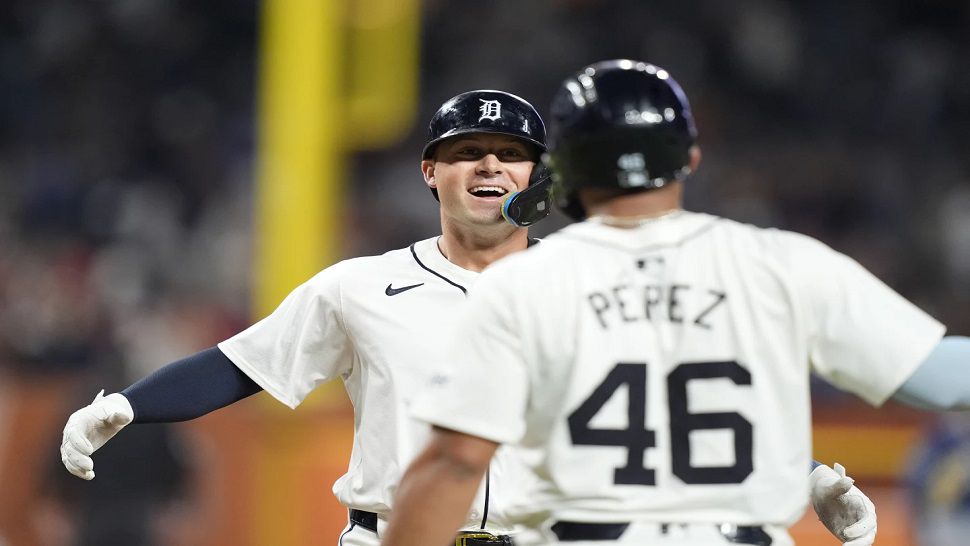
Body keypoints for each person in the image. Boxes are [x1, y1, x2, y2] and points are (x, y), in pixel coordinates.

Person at [61, 87, 876, 546]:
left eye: (510, 152)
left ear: (536, 175)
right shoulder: (361, 287)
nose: (489, 163)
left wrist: (798, 481)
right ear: (431, 174)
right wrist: (129, 404)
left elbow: (682, 411)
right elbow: (241, 364)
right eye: (464, 152)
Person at [381, 60, 970, 546]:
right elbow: (944, 382)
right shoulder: (780, 263)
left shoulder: (524, 282)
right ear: (689, 158)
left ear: (560, 168)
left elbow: (455, 463)